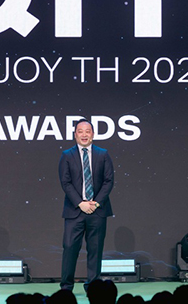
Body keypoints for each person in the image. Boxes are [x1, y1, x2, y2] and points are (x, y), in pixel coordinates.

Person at [59, 119, 114, 291]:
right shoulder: (67, 155)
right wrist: (80, 203)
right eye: (80, 131)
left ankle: (93, 287)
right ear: (75, 134)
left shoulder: (103, 154)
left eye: (87, 131)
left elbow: (108, 181)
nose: (84, 135)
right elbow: (65, 182)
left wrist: (95, 203)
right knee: (70, 248)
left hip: (97, 211)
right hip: (74, 211)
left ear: (93, 134)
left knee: (95, 251)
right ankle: (66, 287)